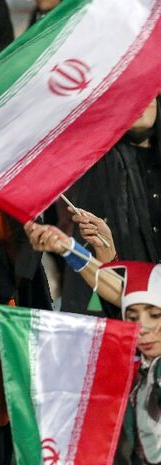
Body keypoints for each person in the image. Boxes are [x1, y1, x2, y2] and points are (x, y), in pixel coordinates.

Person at [25, 223, 160, 465]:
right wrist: (69, 248)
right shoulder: (134, 372)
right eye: (132, 318)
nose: (142, 328)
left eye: (155, 316)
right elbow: (122, 291)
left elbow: (120, 290)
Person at [59, 97, 160, 314]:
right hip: (118, 295)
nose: (141, 102)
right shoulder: (95, 159)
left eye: (148, 94)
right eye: (132, 95)